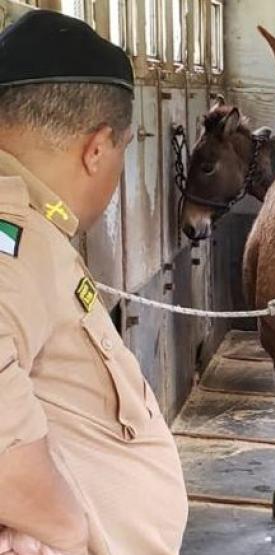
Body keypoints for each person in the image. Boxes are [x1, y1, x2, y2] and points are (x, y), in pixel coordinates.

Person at [0, 10, 187, 555]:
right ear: (97, 147)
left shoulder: (33, 226)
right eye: (124, 150)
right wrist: (65, 525)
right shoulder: (13, 238)